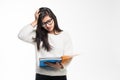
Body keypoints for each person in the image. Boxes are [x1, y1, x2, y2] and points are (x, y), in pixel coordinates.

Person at [18, 7, 73, 80]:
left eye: (49, 21)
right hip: (42, 75)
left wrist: (61, 66)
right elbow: (21, 35)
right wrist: (35, 21)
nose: (47, 25)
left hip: (60, 76)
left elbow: (68, 55)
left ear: (54, 18)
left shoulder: (64, 35)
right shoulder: (38, 35)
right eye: (43, 23)